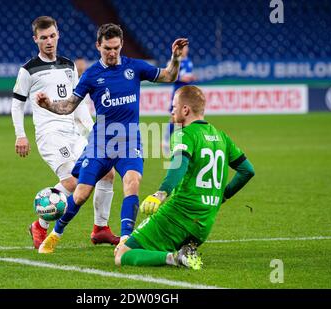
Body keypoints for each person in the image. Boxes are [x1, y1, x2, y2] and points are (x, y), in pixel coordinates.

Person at [36, 23, 188, 254]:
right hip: (100, 143)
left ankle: (125, 240)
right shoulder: (91, 75)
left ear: (121, 45)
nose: (112, 52)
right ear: (98, 46)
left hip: (129, 142)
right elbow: (68, 106)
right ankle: (56, 234)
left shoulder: (134, 67)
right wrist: (49, 105)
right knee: (81, 193)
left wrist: (175, 58)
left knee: (133, 182)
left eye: (116, 47)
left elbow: (168, 76)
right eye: (107, 48)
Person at [114, 85, 255, 269]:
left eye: (174, 107)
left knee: (122, 254)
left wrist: (161, 194)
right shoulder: (222, 137)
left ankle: (174, 258)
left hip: (179, 216)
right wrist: (223, 195)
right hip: (204, 223)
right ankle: (184, 251)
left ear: (185, 109)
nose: (171, 111)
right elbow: (247, 170)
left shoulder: (184, 135)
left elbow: (178, 166)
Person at [11, 16, 118, 250]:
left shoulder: (69, 65)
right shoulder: (28, 70)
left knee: (107, 172)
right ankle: (40, 225)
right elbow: (17, 104)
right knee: (73, 182)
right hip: (50, 135)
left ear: (58, 34)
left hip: (73, 132)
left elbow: (77, 101)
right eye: (43, 38)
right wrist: (21, 134)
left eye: (52, 35)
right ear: (35, 40)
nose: (49, 41)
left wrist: (92, 129)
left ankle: (100, 229)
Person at [163, 44, 196, 154]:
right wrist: (182, 78)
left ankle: (180, 142)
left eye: (187, 47)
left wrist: (191, 78)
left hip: (188, 93)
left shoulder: (189, 62)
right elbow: (168, 77)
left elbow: (188, 75)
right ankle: (166, 141)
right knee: (175, 117)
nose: (187, 49)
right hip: (178, 93)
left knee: (186, 117)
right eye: (185, 48)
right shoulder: (174, 62)